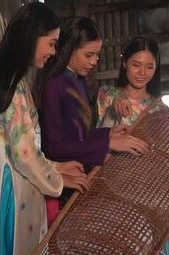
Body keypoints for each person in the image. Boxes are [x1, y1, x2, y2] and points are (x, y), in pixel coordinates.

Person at [0, 3, 90, 255]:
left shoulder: (9, 81)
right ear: (31, 37)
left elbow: (16, 148)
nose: (52, 52)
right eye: (50, 43)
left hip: (1, 186)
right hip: (11, 194)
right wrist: (58, 181)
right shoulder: (14, 87)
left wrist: (57, 167)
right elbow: (23, 156)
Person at [35, 17, 150, 226]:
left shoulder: (77, 81)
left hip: (80, 182)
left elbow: (78, 135)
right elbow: (53, 146)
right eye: (89, 55)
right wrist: (108, 143)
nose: (94, 61)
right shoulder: (54, 86)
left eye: (96, 55)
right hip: (65, 184)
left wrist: (107, 134)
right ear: (69, 49)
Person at [95, 36, 169, 255]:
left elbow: (165, 156)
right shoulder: (107, 96)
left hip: (148, 195)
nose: (142, 72)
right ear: (123, 64)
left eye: (149, 66)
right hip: (111, 192)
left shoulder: (160, 108)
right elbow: (95, 141)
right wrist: (113, 110)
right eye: (136, 64)